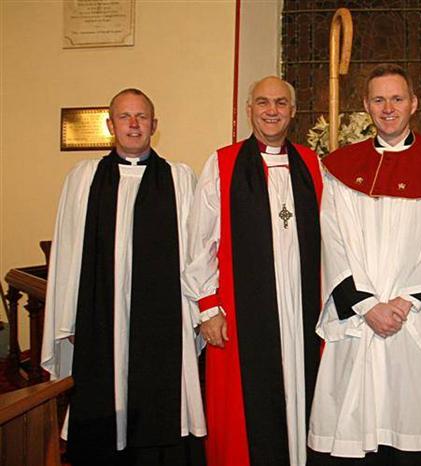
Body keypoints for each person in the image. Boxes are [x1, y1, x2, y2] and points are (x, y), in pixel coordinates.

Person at [308, 63, 421, 465]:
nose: (389, 108)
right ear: (366, 106)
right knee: (361, 427)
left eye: (397, 98)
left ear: (414, 103)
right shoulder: (340, 169)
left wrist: (403, 304)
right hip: (362, 320)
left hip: (419, 318)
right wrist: (368, 306)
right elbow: (334, 242)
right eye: (379, 99)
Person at [41, 88, 206, 466]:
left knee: (161, 398)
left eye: (142, 117)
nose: (134, 124)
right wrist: (67, 315)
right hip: (101, 315)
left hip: (162, 320)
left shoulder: (180, 180)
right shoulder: (83, 180)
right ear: (110, 124)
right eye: (125, 117)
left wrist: (198, 312)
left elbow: (198, 253)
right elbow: (67, 250)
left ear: (155, 125)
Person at [183, 76, 322, 466]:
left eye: (280, 103)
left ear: (293, 111)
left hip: (301, 310)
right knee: (250, 413)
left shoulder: (312, 164)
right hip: (244, 315)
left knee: (304, 395)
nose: (272, 110)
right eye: (263, 103)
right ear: (249, 110)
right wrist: (208, 308)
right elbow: (200, 243)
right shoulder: (223, 164)